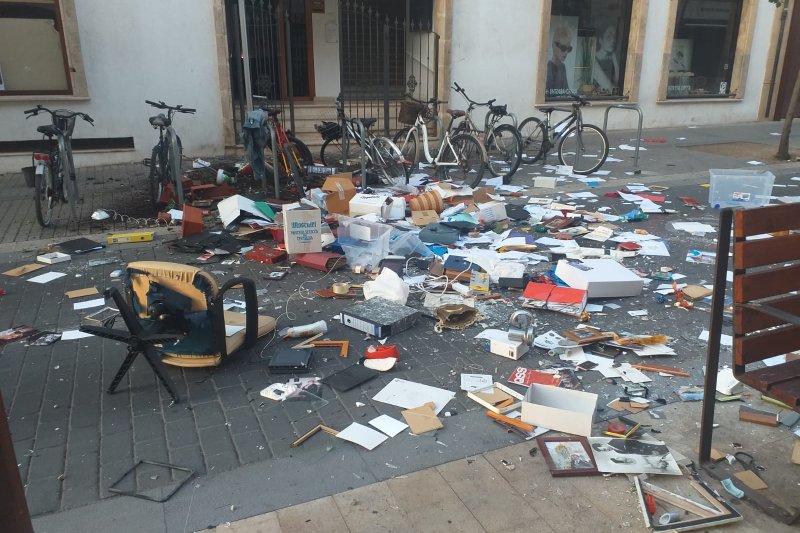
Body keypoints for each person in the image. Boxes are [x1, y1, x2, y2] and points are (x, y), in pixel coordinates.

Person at [546, 25, 573, 97]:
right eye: (563, 48)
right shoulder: (548, 68)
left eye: (569, 49)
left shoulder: (562, 67)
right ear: (554, 46)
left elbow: (566, 92)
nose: (566, 52)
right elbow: (548, 95)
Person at [593, 24, 619, 92]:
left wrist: (615, 61)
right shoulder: (593, 60)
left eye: (614, 37)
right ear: (600, 40)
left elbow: (617, 81)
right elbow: (611, 88)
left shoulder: (612, 59)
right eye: (608, 36)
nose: (613, 40)